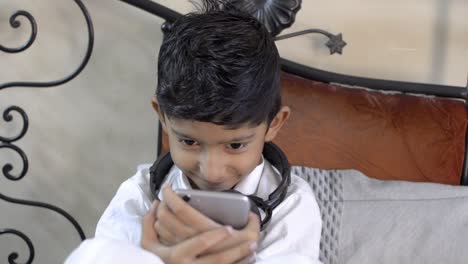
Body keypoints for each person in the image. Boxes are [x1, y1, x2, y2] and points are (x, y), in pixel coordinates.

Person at [66, 1, 322, 263]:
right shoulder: (140, 195)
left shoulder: (292, 205)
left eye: (235, 146)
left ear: (275, 124)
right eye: (189, 141)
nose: (212, 172)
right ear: (162, 117)